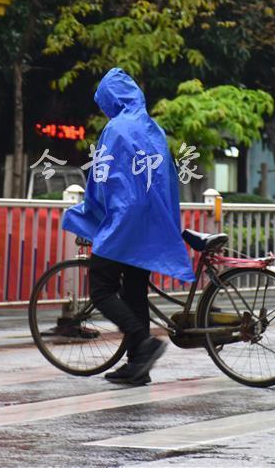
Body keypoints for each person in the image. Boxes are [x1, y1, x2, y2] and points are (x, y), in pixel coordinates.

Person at [62, 67, 194, 385]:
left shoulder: (116, 129)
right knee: (134, 291)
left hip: (124, 221)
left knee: (101, 287)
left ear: (110, 99)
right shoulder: (153, 129)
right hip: (151, 224)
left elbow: (101, 180)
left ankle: (143, 342)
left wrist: (89, 213)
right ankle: (138, 365)